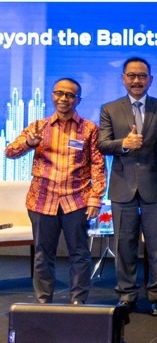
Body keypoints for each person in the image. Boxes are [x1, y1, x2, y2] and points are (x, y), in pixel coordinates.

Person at [5, 78, 106, 304]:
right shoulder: (37, 127)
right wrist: (29, 144)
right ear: (52, 95)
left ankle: (78, 302)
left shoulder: (89, 129)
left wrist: (95, 199)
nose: (63, 98)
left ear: (77, 100)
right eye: (59, 93)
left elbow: (98, 166)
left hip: (77, 200)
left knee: (79, 254)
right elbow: (9, 152)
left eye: (69, 95)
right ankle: (43, 302)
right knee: (43, 255)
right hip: (42, 200)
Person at [98, 57, 157, 316]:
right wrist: (125, 143)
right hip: (122, 187)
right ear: (123, 78)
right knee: (124, 244)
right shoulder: (109, 108)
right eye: (131, 75)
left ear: (150, 80)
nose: (137, 80)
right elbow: (102, 144)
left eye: (142, 76)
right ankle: (126, 295)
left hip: (154, 185)